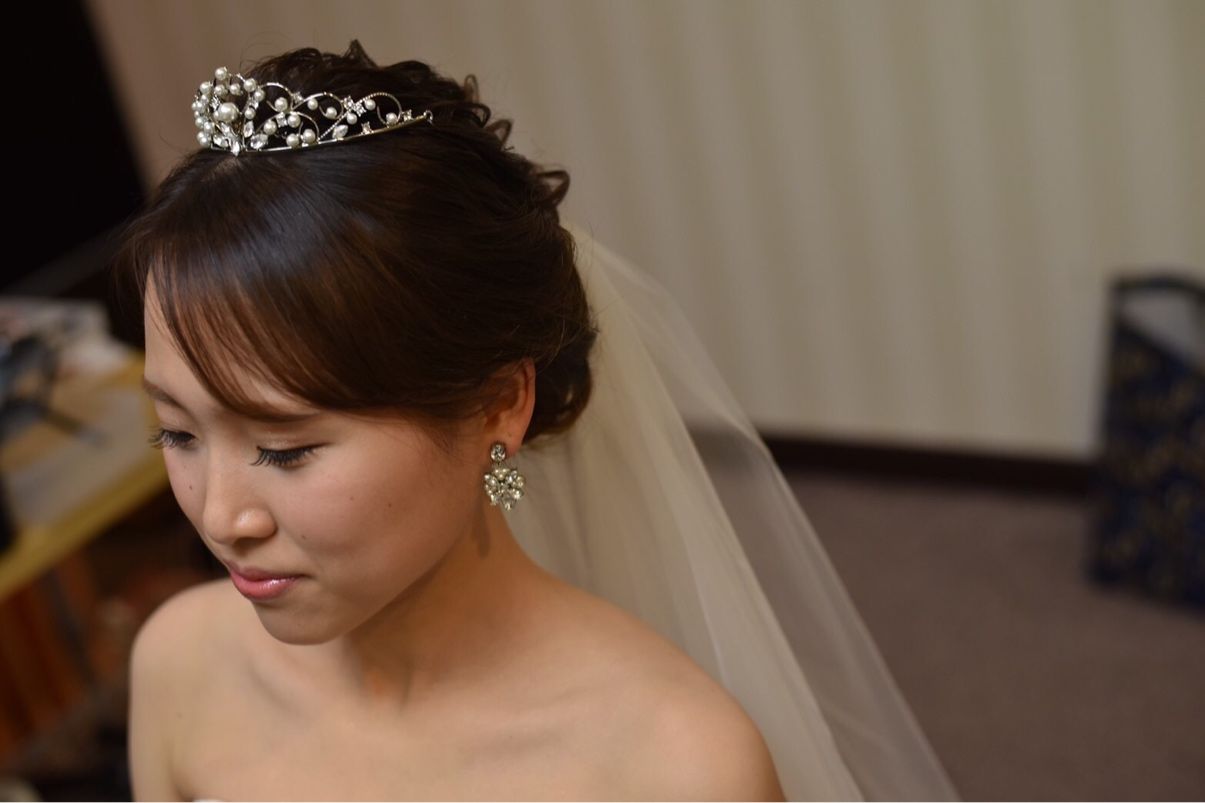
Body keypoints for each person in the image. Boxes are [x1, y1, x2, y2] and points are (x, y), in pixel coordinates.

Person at [115, 41, 958, 801]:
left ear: (499, 403)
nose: (220, 516)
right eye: (179, 433)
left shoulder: (678, 766)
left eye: (285, 448)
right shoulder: (179, 661)